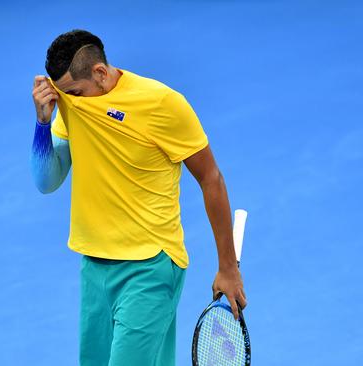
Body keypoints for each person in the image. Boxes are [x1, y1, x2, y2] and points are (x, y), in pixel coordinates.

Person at [29, 29, 247, 366]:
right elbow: (46, 181)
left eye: (74, 92)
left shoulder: (162, 104)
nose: (69, 100)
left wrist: (228, 268)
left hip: (150, 266)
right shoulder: (71, 102)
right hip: (94, 265)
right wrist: (43, 125)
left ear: (100, 73)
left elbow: (211, 178)